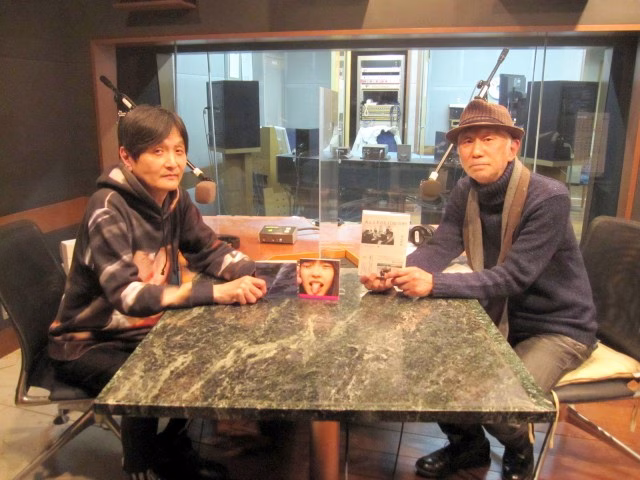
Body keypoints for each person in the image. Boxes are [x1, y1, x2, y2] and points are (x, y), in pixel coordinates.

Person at [360, 98, 597, 480]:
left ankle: (519, 448)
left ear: (512, 146)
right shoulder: (464, 191)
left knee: (501, 404)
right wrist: (393, 274)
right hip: (493, 314)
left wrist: (435, 283)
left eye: (488, 139)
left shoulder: (548, 197)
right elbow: (441, 246)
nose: (476, 150)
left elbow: (514, 276)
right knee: (426, 364)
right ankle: (467, 446)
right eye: (467, 142)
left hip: (555, 326)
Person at [48, 105, 267, 480]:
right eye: (157, 151)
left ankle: (173, 451)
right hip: (87, 343)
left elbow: (207, 250)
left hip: (142, 329)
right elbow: (128, 297)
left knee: (204, 358)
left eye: (179, 150)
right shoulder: (107, 209)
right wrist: (216, 293)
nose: (172, 162)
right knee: (155, 374)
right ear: (127, 157)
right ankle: (140, 466)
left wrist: (257, 274)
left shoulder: (173, 199)